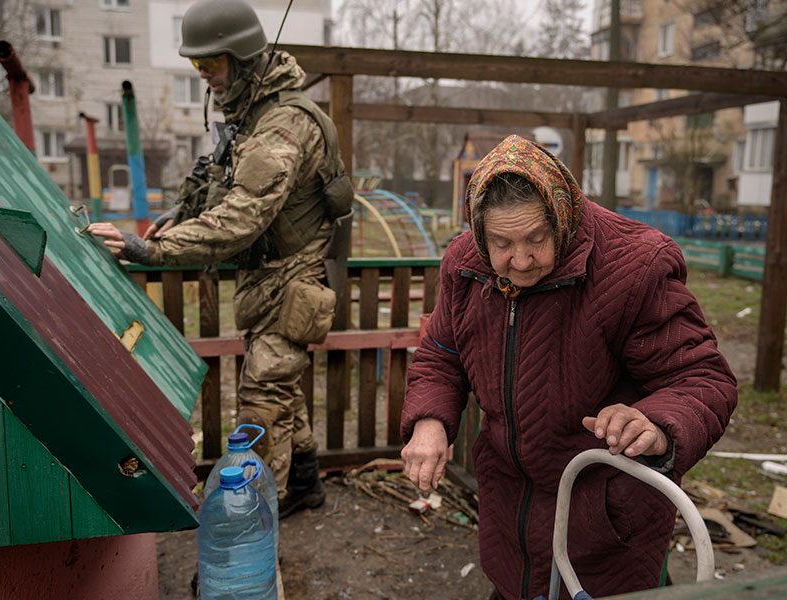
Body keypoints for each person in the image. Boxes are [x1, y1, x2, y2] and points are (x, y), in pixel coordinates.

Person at [400, 135, 737, 599]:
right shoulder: (465, 263)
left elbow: (702, 378)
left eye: (536, 239)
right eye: (501, 243)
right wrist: (430, 420)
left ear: (561, 215)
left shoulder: (634, 266)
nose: (519, 261)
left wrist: (656, 424)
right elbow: (442, 352)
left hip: (603, 519)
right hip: (510, 511)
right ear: (478, 231)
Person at [88, 0, 354, 518]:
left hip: (293, 282)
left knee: (260, 407)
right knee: (279, 390)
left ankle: (251, 529)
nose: (204, 75)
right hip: (268, 279)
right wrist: (177, 213)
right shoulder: (250, 115)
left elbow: (239, 220)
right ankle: (305, 483)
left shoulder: (282, 127)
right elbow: (217, 176)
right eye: (196, 65)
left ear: (245, 60)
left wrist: (154, 249)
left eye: (212, 64)